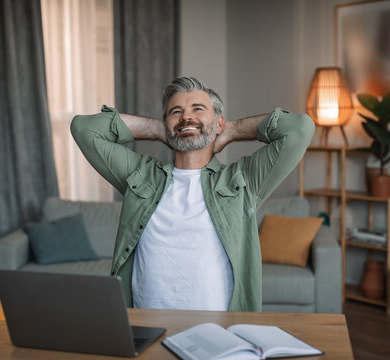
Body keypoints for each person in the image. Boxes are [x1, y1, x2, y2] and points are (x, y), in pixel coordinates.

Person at [71, 77, 314, 312]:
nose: (187, 116)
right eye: (175, 111)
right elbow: (84, 128)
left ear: (218, 122)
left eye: (198, 109)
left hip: (219, 328)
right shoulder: (141, 176)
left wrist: (233, 130)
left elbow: (299, 128)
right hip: (146, 323)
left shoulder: (242, 180)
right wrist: (158, 129)